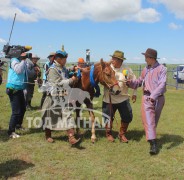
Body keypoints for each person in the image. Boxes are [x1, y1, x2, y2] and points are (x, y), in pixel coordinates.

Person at [126, 48, 167, 155]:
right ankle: (153, 145)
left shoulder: (162, 69)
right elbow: (139, 82)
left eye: (146, 57)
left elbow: (162, 84)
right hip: (147, 98)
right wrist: (130, 83)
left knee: (154, 121)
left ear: (151, 58)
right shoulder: (145, 69)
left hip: (159, 98)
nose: (145, 60)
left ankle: (151, 137)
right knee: (149, 121)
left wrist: (154, 96)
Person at [42, 49, 81, 145]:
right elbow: (58, 83)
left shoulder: (62, 68)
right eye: (64, 59)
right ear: (58, 59)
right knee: (50, 117)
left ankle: (71, 137)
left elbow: (66, 71)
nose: (65, 61)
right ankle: (48, 135)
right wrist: (71, 80)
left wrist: (73, 68)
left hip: (64, 97)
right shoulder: (52, 70)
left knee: (68, 115)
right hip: (53, 97)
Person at [102, 50, 137, 143]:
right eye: (112, 58)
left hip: (123, 98)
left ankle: (122, 134)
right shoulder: (107, 68)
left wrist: (134, 93)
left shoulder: (127, 69)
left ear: (120, 61)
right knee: (107, 117)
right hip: (108, 99)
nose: (112, 60)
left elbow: (135, 81)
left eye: (114, 58)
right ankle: (108, 134)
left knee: (127, 116)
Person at [6, 53, 28, 138]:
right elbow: (18, 70)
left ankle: (18, 125)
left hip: (19, 88)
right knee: (16, 111)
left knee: (23, 108)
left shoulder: (20, 61)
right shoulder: (14, 60)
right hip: (13, 88)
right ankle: (10, 131)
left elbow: (24, 73)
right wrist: (23, 60)